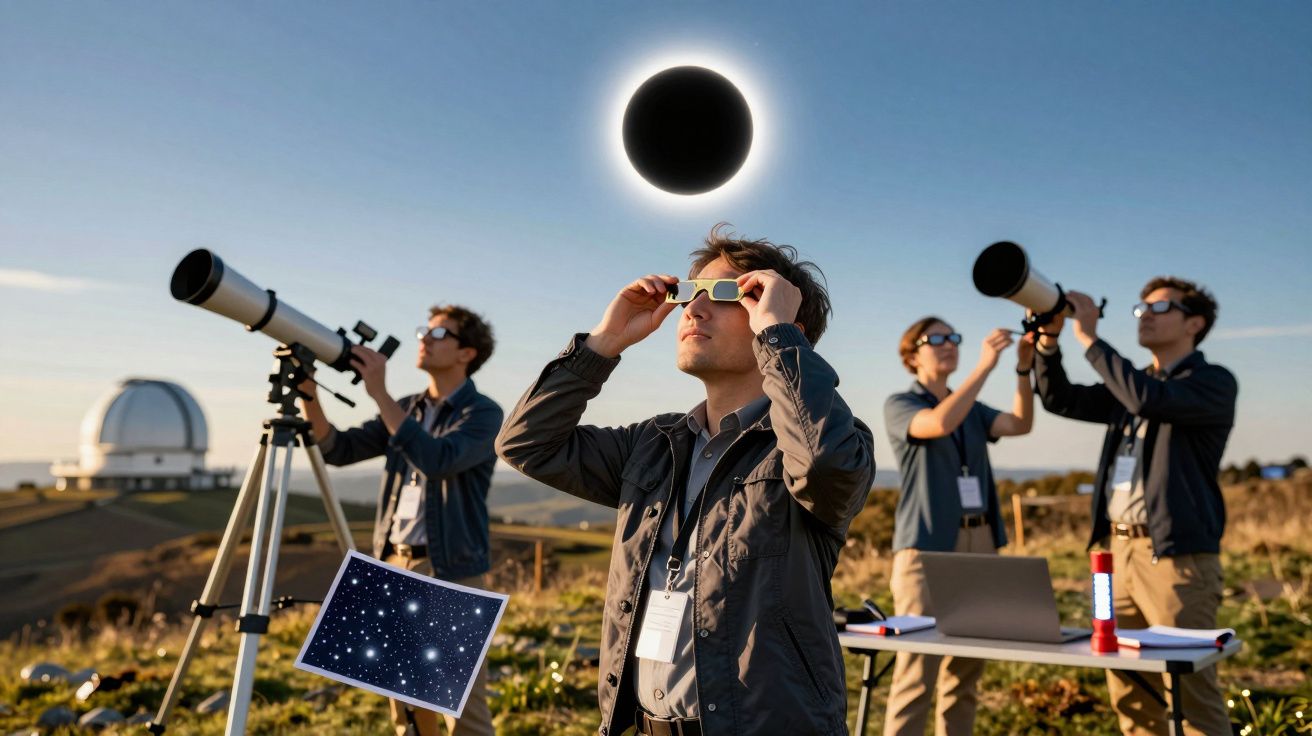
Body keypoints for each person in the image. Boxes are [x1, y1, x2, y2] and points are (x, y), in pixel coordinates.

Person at [495, 225, 876, 736]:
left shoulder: (825, 441)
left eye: (725, 295)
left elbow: (825, 467)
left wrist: (778, 338)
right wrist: (604, 344)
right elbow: (525, 443)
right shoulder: (653, 444)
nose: (694, 310)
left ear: (786, 325)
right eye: (688, 296)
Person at [1032, 277, 1237, 736]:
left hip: (1176, 561)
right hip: (1114, 560)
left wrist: (1089, 337)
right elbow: (1060, 399)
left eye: (1160, 307)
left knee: (1192, 692)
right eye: (1140, 308)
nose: (1145, 314)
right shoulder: (1133, 387)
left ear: (1195, 323)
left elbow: (1150, 400)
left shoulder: (1212, 383)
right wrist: (1049, 344)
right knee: (1129, 690)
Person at [299, 304, 503, 736]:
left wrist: (379, 392)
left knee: (462, 708)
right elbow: (338, 449)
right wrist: (307, 393)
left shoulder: (483, 414)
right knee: (406, 707)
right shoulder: (407, 408)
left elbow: (438, 459)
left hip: (448, 568)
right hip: (392, 559)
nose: (424, 340)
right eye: (423, 333)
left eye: (439, 334)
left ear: (467, 353)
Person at [881, 318, 1035, 736]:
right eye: (938, 339)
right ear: (912, 355)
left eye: (955, 337)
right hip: (925, 547)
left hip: (980, 540)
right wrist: (985, 366)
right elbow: (938, 424)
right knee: (916, 672)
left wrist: (1022, 371)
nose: (950, 344)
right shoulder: (901, 404)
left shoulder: (971, 408)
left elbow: (1020, 423)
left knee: (966, 672)